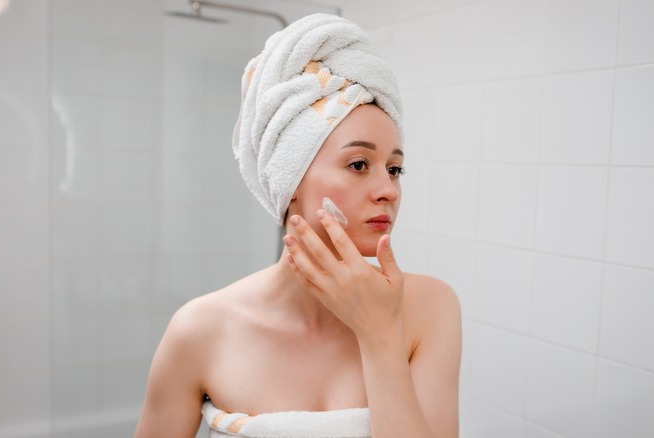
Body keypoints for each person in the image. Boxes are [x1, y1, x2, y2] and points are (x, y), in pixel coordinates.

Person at [134, 13, 461, 438]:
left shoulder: (429, 309)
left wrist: (379, 335)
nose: (388, 190)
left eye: (395, 169)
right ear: (289, 181)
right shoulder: (200, 330)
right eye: (359, 164)